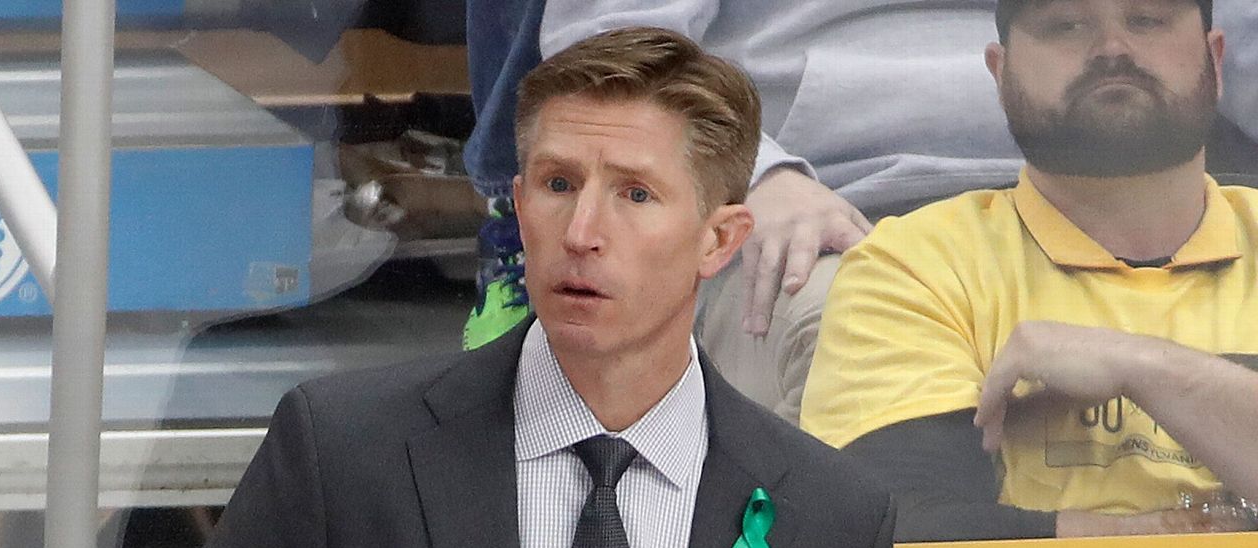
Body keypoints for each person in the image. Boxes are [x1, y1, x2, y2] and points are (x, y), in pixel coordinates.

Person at [131, 27, 910, 548]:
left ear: (720, 240)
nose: (582, 232)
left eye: (635, 194)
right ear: (517, 202)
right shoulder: (340, 456)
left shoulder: (830, 518)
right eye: (558, 184)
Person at [538, 0, 1258, 421]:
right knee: (847, 338)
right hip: (829, 207)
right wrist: (754, 173)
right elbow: (608, 46)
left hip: (1140, 190)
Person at [799, 0, 1258, 543]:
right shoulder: (915, 263)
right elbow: (899, 531)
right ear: (1000, 73)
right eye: (1065, 25)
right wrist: (1187, 533)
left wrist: (1143, 367)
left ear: (1214, 58)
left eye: (1146, 20)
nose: (1112, 49)